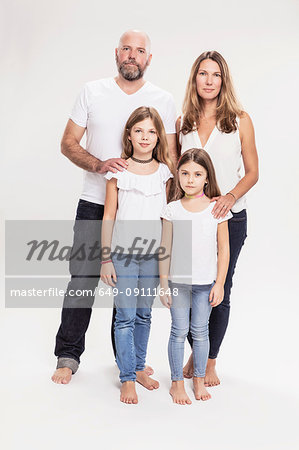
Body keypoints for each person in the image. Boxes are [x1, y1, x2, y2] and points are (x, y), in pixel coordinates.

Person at [51, 30, 177, 385]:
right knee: (83, 279)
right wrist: (99, 165)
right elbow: (68, 143)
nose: (132, 55)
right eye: (126, 49)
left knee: (133, 291)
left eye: (140, 50)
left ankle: (128, 362)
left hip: (143, 211)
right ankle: (68, 355)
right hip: (96, 204)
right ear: (116, 54)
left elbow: (170, 157)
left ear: (148, 58)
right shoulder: (92, 91)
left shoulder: (163, 100)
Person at [177, 51, 259, 386]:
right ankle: (198, 349)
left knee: (218, 288)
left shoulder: (240, 119)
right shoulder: (183, 121)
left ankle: (207, 360)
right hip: (189, 219)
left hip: (228, 218)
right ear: (194, 79)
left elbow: (252, 172)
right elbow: (174, 170)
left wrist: (229, 197)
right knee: (188, 288)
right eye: (203, 74)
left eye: (216, 75)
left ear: (223, 80)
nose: (209, 81)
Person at [100, 106, 174, 404]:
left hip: (152, 257)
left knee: (144, 315)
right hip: (124, 255)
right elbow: (108, 216)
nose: (145, 136)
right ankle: (127, 377)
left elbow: (167, 221)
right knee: (125, 317)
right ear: (129, 134)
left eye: (152, 131)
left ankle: (140, 367)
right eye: (139, 130)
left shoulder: (166, 173)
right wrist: (106, 259)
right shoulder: (118, 172)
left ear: (158, 137)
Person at [160, 148, 231, 404]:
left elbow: (224, 250)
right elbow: (164, 249)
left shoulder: (216, 210)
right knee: (178, 331)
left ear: (206, 178)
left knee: (201, 332)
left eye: (197, 174)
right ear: (178, 176)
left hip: (205, 284)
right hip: (177, 283)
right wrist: (163, 283)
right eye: (185, 173)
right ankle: (177, 382)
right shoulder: (172, 209)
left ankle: (199, 379)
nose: (190, 179)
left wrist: (220, 283)